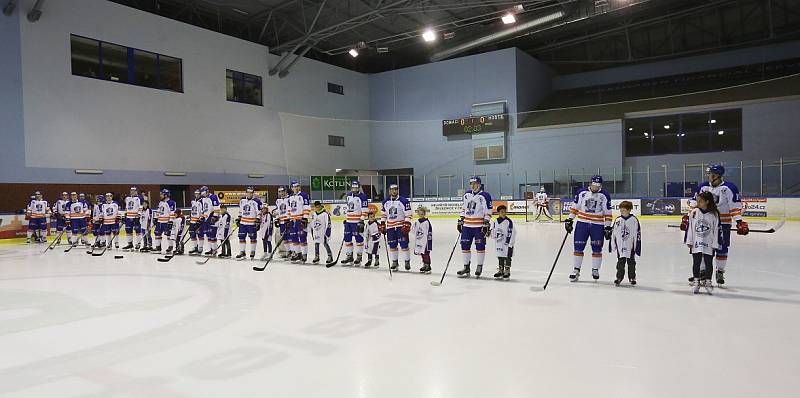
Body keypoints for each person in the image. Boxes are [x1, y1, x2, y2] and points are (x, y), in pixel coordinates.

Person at [681, 164, 748, 285]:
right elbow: (694, 202)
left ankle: (720, 271)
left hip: (723, 223)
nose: (708, 176)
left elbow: (735, 206)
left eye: (710, 174)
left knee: (721, 248)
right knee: (701, 246)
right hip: (704, 222)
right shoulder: (703, 187)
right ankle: (702, 272)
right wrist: (689, 216)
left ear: (717, 175)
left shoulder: (729, 188)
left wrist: (739, 221)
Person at [565, 175, 613, 282]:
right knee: (578, 246)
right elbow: (575, 207)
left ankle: (595, 269)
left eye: (598, 185)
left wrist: (608, 227)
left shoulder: (604, 195)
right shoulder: (581, 192)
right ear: (590, 183)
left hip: (598, 225)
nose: (595, 187)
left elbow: (608, 212)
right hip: (582, 224)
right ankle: (576, 270)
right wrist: (569, 220)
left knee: (597, 248)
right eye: (594, 185)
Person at [684, 191, 721, 294]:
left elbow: (716, 230)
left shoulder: (714, 214)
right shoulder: (694, 212)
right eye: (697, 200)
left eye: (700, 201)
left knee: (709, 263)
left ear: (707, 201)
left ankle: (708, 282)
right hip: (696, 241)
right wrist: (689, 240)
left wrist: (715, 243)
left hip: (709, 242)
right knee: (696, 262)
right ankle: (696, 282)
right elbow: (690, 227)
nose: (698, 202)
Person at [457, 176, 492, 277]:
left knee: (480, 247)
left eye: (474, 183)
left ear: (479, 184)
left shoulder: (485, 195)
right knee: (464, 246)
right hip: (467, 226)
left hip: (478, 226)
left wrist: (486, 222)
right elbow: (463, 208)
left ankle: (479, 266)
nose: (472, 185)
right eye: (471, 183)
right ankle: (466, 267)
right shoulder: (467, 194)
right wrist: (461, 220)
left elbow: (488, 211)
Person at [382, 183, 413, 271]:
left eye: (395, 189)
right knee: (392, 245)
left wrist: (406, 223)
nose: (394, 191)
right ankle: (395, 262)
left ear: (397, 190)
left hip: (400, 226)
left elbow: (408, 214)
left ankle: (407, 261)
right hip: (390, 227)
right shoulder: (385, 201)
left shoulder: (404, 201)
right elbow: (384, 214)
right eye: (392, 189)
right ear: (389, 191)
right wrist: (382, 224)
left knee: (404, 245)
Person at [610, 201, 641, 286]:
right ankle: (619, 277)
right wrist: (613, 245)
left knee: (631, 262)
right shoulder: (618, 220)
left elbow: (637, 233)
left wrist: (636, 246)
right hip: (620, 246)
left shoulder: (634, 220)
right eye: (621, 210)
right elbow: (614, 233)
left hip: (630, 245)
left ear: (629, 210)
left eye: (623, 210)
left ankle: (632, 277)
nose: (621, 212)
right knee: (620, 262)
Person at [342, 180, 369, 265]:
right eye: (353, 187)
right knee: (347, 239)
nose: (354, 189)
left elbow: (365, 210)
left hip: (357, 222)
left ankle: (359, 257)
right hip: (348, 222)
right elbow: (348, 208)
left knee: (359, 240)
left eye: (356, 187)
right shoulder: (348, 195)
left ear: (359, 187)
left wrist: (361, 220)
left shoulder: (363, 196)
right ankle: (349, 256)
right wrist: (346, 219)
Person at [287, 180, 311, 263]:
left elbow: (307, 207)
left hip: (300, 220)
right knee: (294, 238)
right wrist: (289, 219)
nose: (296, 188)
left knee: (302, 237)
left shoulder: (303, 195)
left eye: (297, 186)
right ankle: (298, 254)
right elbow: (289, 209)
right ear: (291, 188)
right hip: (293, 220)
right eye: (294, 186)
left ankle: (304, 254)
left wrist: (305, 218)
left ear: (299, 187)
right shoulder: (290, 197)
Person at [236, 187, 262, 260]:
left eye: (251, 192)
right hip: (243, 223)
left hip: (251, 224)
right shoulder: (242, 200)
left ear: (253, 193)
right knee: (241, 237)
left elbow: (259, 212)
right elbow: (240, 211)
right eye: (248, 192)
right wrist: (239, 218)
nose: (249, 194)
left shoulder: (257, 201)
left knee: (253, 238)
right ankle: (242, 252)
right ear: (246, 192)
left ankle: (252, 251)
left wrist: (258, 220)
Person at [491, 205, 515, 280]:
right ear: (498, 212)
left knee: (507, 256)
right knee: (500, 256)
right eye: (501, 212)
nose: (504, 213)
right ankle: (501, 270)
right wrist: (490, 234)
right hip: (498, 242)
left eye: (505, 212)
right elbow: (493, 231)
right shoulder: (495, 221)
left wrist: (510, 242)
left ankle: (507, 270)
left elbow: (513, 232)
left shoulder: (509, 221)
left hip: (507, 243)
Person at [199, 186, 221, 255]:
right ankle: (211, 249)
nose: (203, 194)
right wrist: (202, 217)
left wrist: (215, 217)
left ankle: (214, 249)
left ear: (207, 191)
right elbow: (204, 210)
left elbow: (216, 208)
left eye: (204, 193)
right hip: (206, 220)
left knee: (212, 235)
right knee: (208, 235)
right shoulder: (203, 199)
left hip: (213, 219)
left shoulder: (213, 197)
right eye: (202, 193)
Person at [154, 189, 176, 254]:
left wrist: (170, 221)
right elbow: (158, 211)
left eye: (162, 194)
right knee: (157, 234)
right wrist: (155, 218)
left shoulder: (171, 202)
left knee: (168, 235)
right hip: (159, 221)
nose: (160, 195)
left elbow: (172, 213)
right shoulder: (160, 202)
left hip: (166, 222)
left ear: (166, 195)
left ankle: (170, 247)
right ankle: (158, 248)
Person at [412, 206, 433, 274]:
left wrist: (429, 242)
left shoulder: (427, 222)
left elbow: (429, 232)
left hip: (425, 241)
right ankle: (424, 264)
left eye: (422, 213)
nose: (421, 214)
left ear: (424, 213)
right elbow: (413, 230)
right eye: (419, 213)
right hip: (419, 240)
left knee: (426, 253)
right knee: (422, 253)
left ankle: (428, 265)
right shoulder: (417, 222)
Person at [274, 186, 290, 258]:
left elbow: (292, 210)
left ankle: (294, 252)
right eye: (279, 192)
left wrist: (289, 219)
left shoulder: (290, 199)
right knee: (284, 238)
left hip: (288, 221)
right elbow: (278, 211)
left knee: (291, 237)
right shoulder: (278, 201)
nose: (281, 193)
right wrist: (277, 219)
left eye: (282, 191)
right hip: (282, 222)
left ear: (286, 191)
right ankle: (288, 252)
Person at [188, 190, 204, 255]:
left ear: (200, 194)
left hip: (198, 221)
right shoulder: (193, 201)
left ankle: (200, 248)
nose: (196, 195)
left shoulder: (202, 201)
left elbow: (203, 212)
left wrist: (200, 220)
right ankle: (194, 247)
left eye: (198, 194)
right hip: (192, 221)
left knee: (200, 235)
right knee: (192, 235)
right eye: (195, 194)